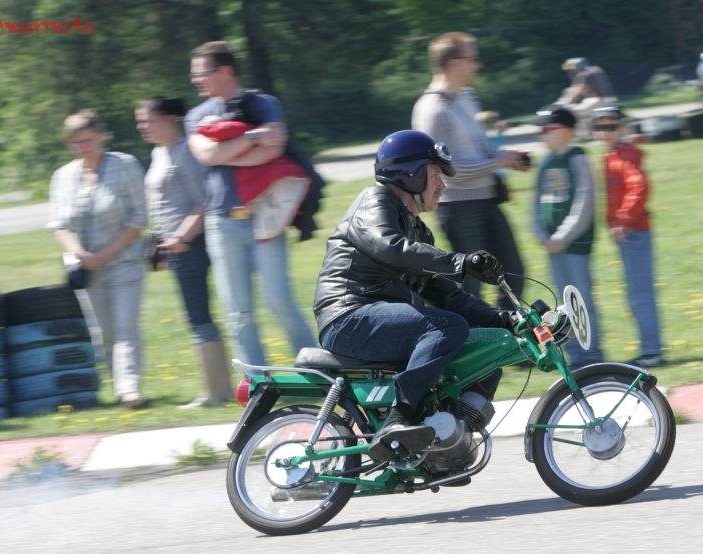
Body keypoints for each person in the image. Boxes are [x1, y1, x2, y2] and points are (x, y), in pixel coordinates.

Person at [314, 129, 523, 462]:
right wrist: (460, 262)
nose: (442, 184)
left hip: (376, 318)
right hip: (348, 316)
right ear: (409, 174)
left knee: (488, 345)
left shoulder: (416, 227)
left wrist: (505, 321)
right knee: (446, 328)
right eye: (436, 174)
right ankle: (397, 420)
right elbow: (390, 247)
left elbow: (445, 293)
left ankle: (445, 445)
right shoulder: (375, 201)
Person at [184, 41, 316, 366]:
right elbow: (205, 155)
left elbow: (273, 151)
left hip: (264, 217)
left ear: (225, 70)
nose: (195, 81)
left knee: (279, 301)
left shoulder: (263, 103)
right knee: (239, 313)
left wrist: (225, 153)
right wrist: (252, 139)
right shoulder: (196, 115)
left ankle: (318, 372)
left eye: (201, 74)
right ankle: (258, 386)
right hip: (221, 223)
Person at [412, 32, 528, 310]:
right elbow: (444, 170)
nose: (478, 65)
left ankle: (507, 343)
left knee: (512, 274)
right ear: (453, 63)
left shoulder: (467, 96)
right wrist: (498, 162)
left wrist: (506, 158)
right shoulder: (431, 110)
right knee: (472, 288)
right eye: (472, 59)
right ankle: (471, 344)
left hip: (487, 199)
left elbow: (480, 146)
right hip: (458, 207)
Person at [135, 96, 235, 408]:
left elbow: (203, 202)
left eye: (148, 120)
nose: (142, 127)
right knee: (197, 316)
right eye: (140, 121)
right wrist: (160, 243)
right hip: (174, 245)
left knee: (199, 316)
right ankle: (219, 392)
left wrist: (180, 238)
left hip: (191, 244)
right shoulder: (159, 152)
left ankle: (215, 394)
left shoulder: (184, 152)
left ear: (168, 120)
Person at [47, 109, 149, 409]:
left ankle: (131, 390)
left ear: (101, 137)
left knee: (125, 327)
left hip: (125, 261)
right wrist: (80, 253)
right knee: (103, 332)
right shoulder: (63, 176)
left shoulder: (125, 166)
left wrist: (108, 252)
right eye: (76, 142)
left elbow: (139, 216)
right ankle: (119, 387)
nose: (83, 147)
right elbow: (59, 223)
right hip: (86, 268)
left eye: (88, 140)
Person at [530, 105, 604, 368]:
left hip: (574, 245)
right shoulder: (546, 162)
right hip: (552, 246)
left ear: (566, 131)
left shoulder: (578, 159)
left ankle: (592, 353)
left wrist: (563, 236)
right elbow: (536, 203)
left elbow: (584, 203)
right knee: (562, 305)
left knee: (582, 300)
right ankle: (575, 355)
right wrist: (541, 234)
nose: (543, 134)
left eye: (548, 129)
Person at [591, 105, 663, 368]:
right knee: (636, 292)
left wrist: (623, 219)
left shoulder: (625, 155)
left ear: (623, 128)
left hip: (634, 232)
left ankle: (652, 351)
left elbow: (639, 186)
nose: (605, 131)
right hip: (627, 233)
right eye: (599, 127)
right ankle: (649, 348)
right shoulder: (613, 155)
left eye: (611, 126)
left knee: (640, 293)